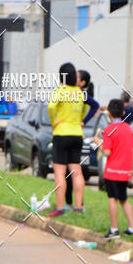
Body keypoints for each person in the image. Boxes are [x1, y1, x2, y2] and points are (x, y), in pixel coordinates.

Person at [47, 61, 88, 216]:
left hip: (62, 133)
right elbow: (87, 107)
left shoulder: (60, 90)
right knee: (76, 171)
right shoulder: (79, 92)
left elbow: (51, 106)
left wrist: (54, 122)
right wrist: (79, 119)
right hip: (77, 134)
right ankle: (78, 207)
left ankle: (60, 208)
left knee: (59, 172)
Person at [94, 98, 133, 238]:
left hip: (112, 171)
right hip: (125, 171)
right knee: (123, 198)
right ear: (123, 112)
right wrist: (132, 170)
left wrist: (98, 143)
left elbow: (106, 152)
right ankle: (132, 226)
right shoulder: (128, 129)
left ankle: (114, 229)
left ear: (109, 114)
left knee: (112, 198)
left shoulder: (108, 130)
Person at [65, 69, 99, 207]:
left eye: (77, 77)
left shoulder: (81, 94)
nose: (73, 77)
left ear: (82, 82)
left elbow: (95, 105)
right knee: (72, 171)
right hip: (74, 134)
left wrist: (84, 121)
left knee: (72, 172)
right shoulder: (75, 93)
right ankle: (74, 203)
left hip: (74, 133)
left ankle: (74, 203)